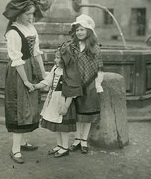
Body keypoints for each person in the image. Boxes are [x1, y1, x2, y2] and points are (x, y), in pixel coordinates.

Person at [3, 0, 46, 164]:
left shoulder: (31, 28)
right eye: (28, 14)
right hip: (18, 72)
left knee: (30, 107)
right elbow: (16, 59)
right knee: (20, 108)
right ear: (18, 13)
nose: (31, 17)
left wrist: (43, 75)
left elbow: (36, 53)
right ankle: (15, 149)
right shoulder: (13, 32)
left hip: (31, 69)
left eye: (32, 13)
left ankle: (23, 142)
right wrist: (26, 81)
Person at [61, 14, 104, 154]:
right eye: (77, 30)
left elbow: (99, 68)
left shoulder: (95, 48)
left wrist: (98, 84)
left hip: (90, 84)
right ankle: (77, 139)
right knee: (77, 114)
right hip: (75, 84)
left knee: (87, 114)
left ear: (88, 31)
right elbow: (65, 63)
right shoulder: (71, 47)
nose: (79, 32)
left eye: (82, 30)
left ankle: (84, 140)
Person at [34, 49, 82, 158]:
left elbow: (71, 92)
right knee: (56, 125)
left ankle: (65, 147)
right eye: (55, 57)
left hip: (64, 102)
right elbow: (47, 81)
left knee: (63, 126)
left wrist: (65, 107)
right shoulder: (55, 69)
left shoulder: (70, 72)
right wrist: (35, 86)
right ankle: (59, 145)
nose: (55, 60)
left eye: (58, 58)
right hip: (54, 100)